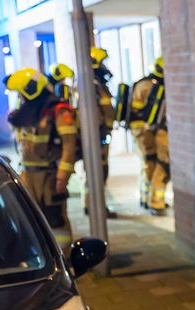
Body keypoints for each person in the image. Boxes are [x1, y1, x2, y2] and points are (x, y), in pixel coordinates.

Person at [5, 68, 78, 255]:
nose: (20, 98)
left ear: (30, 90)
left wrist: (63, 176)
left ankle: (65, 257)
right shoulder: (29, 112)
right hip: (27, 175)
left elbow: (69, 147)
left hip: (50, 176)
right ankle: (42, 257)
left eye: (21, 93)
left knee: (55, 218)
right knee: (31, 219)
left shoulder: (59, 111)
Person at [128, 57, 168, 216]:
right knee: (160, 165)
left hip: (140, 132)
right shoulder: (155, 87)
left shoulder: (143, 83)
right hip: (148, 132)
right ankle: (155, 202)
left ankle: (145, 198)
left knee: (148, 164)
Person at [88, 47, 118, 218]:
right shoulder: (94, 85)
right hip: (99, 134)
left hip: (99, 133)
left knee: (98, 168)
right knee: (99, 169)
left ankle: (92, 205)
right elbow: (105, 110)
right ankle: (96, 207)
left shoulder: (92, 83)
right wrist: (106, 130)